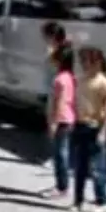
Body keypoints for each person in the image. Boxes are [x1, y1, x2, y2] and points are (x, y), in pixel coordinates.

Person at [71, 46, 106, 212]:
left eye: (87, 61)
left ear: (97, 62)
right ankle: (78, 200)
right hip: (80, 125)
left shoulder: (104, 83)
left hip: (95, 126)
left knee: (97, 167)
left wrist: (103, 131)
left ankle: (103, 200)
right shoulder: (80, 79)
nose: (84, 64)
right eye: (82, 61)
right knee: (79, 166)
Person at [40, 44, 76, 201]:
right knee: (62, 153)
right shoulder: (70, 77)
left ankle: (62, 187)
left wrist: (53, 122)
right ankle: (62, 185)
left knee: (60, 154)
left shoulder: (60, 79)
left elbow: (60, 102)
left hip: (61, 120)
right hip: (68, 119)